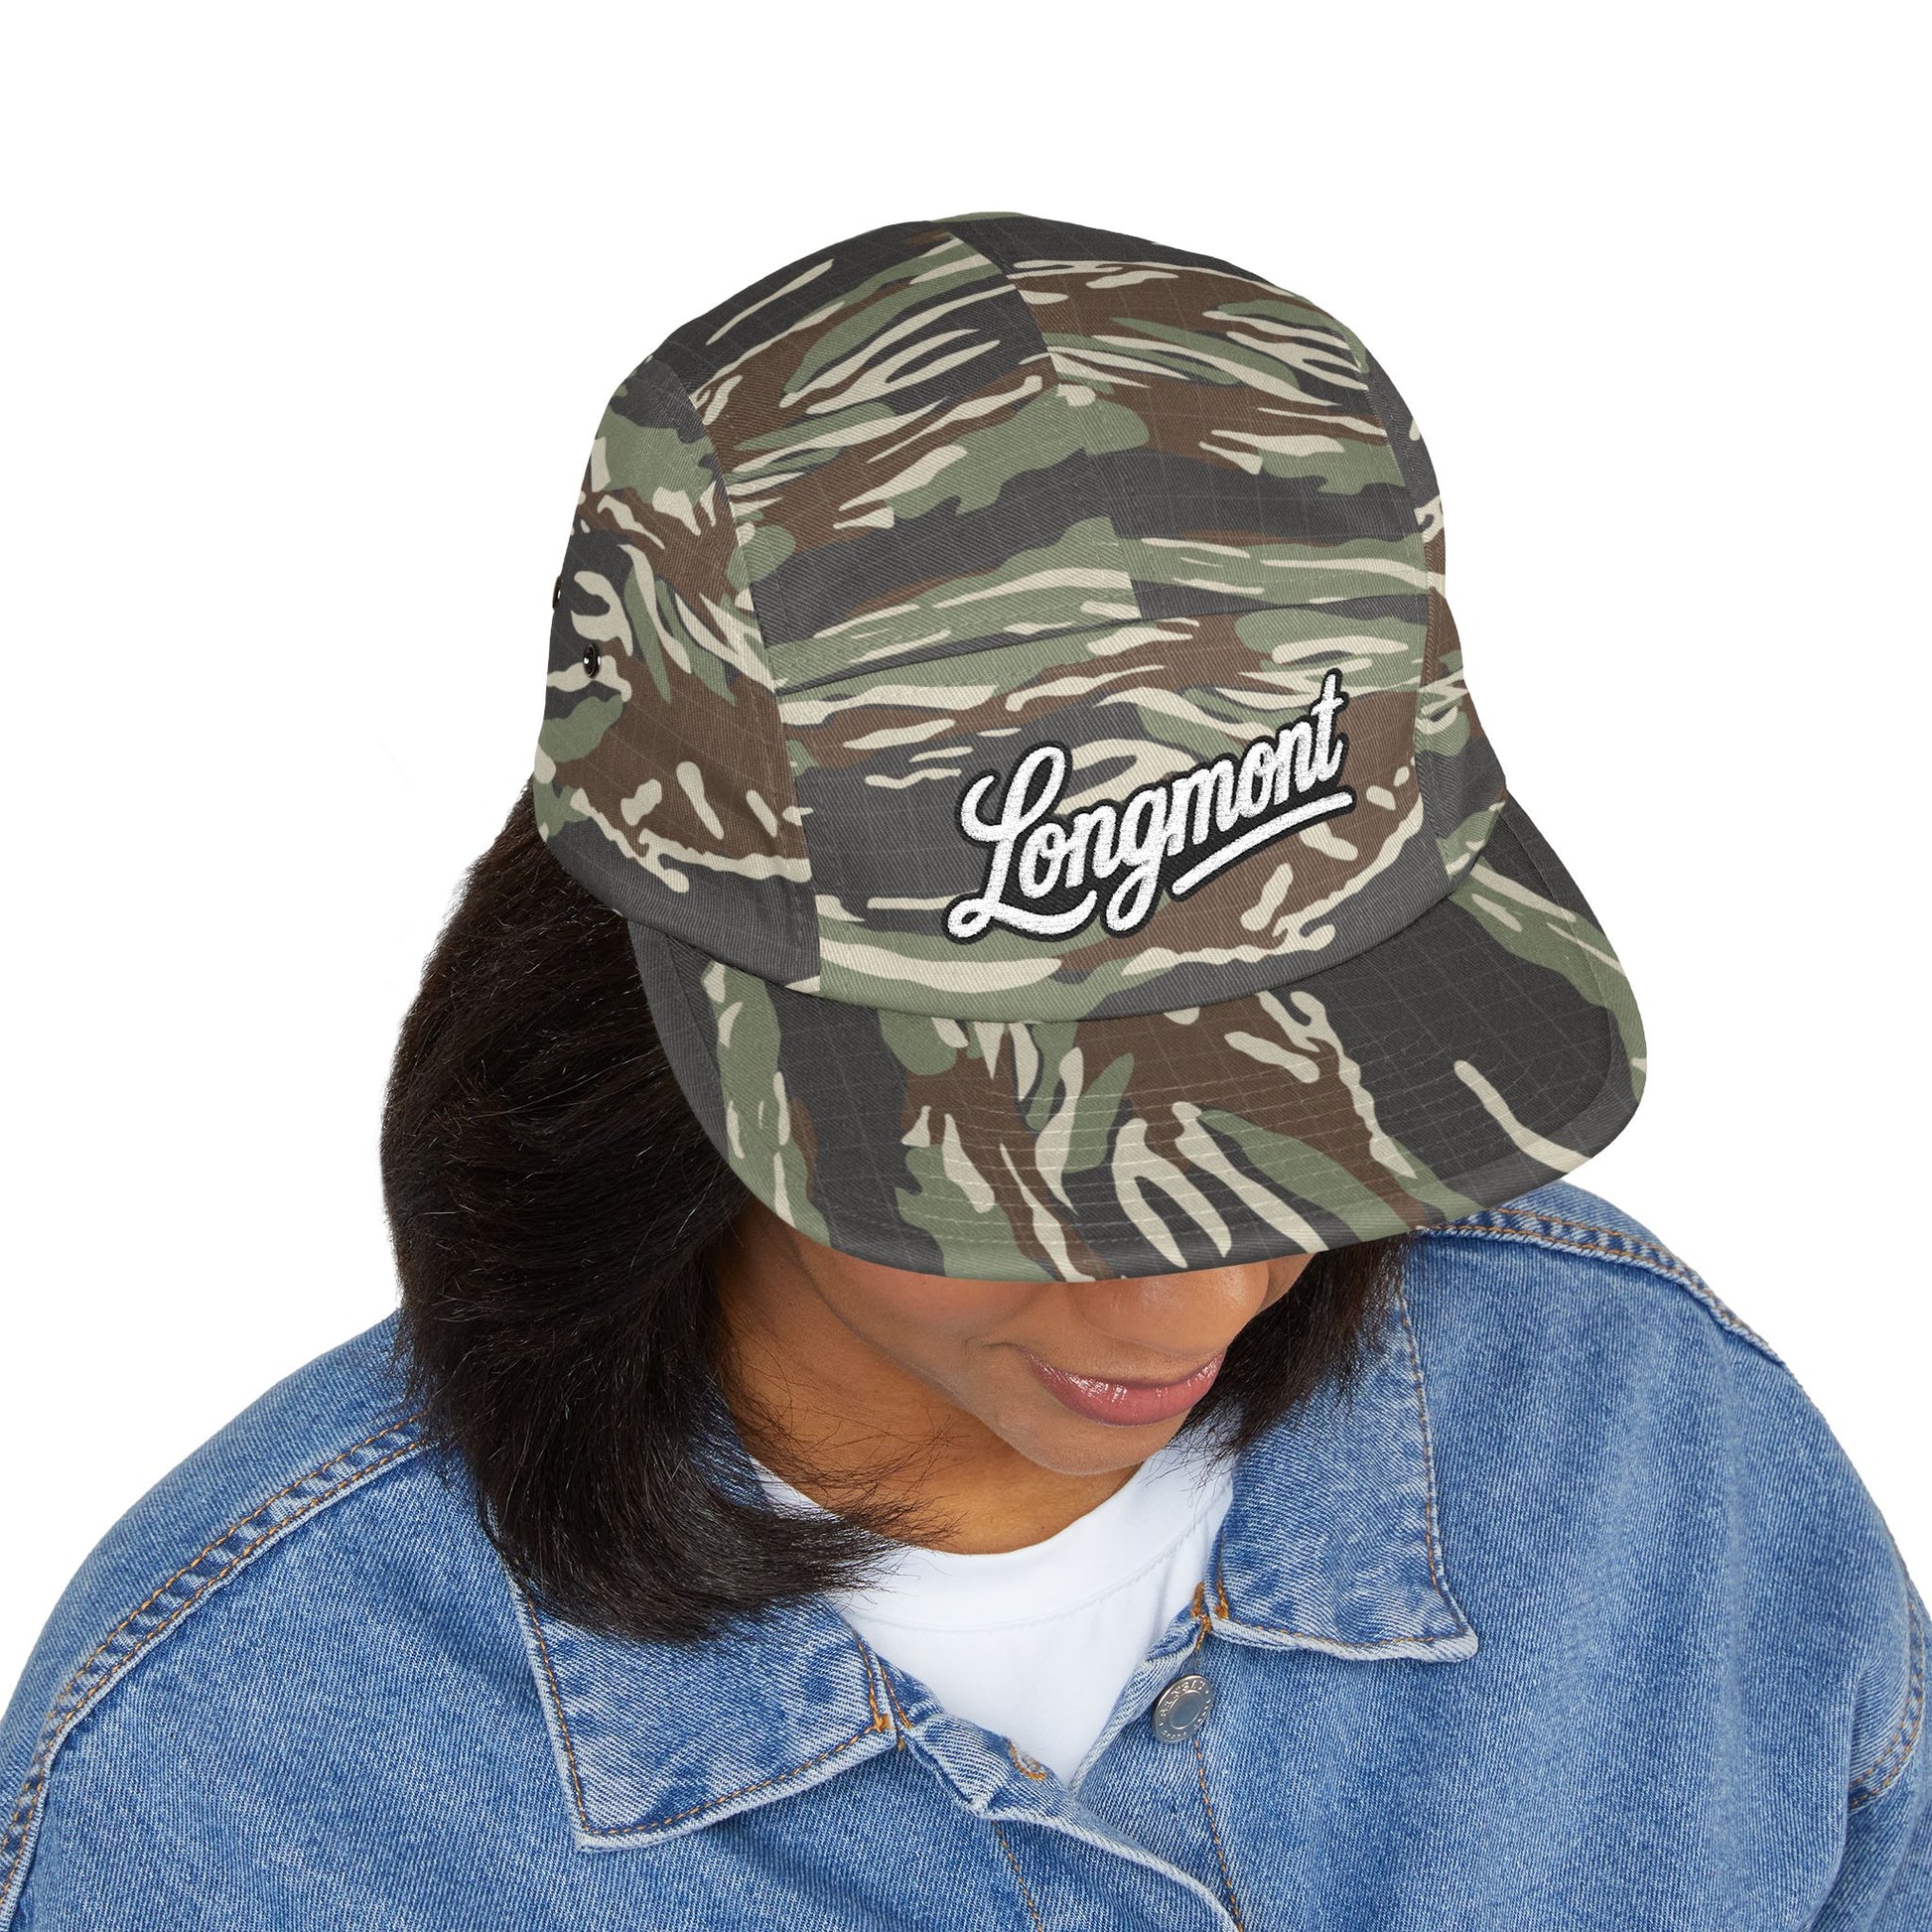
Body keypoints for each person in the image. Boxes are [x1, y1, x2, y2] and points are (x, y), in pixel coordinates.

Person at [3, 212, 1924, 1930]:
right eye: (1035, 1163)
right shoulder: (235, 1788)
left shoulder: (1652, 1441)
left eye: (1309, 1108)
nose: (1200, 1291)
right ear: (660, 997)